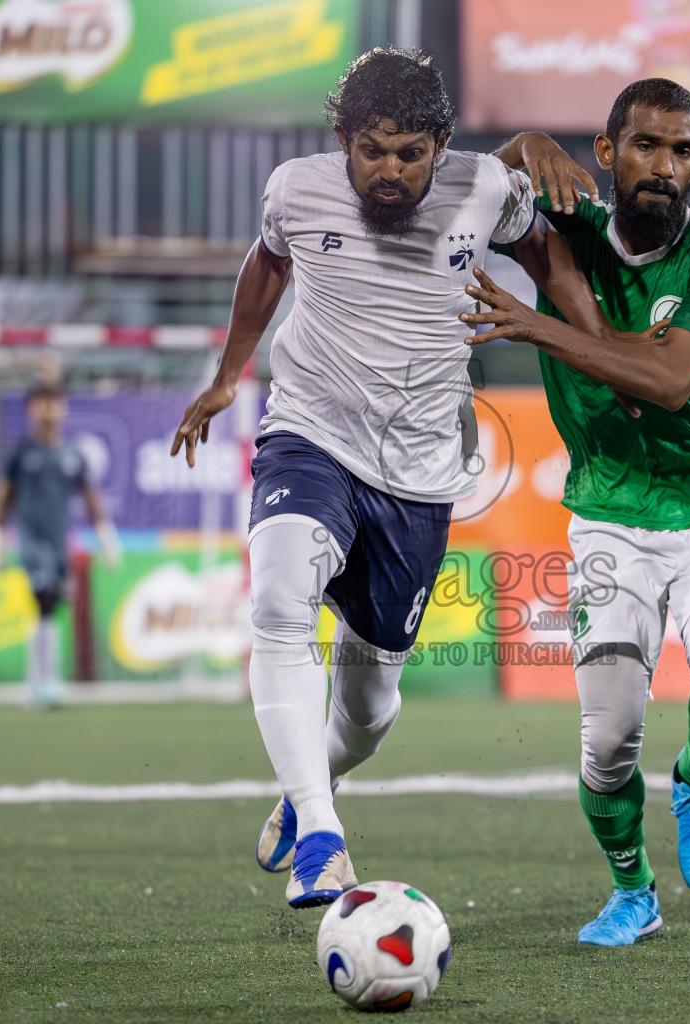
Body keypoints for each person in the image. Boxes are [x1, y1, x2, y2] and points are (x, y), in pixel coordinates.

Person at [169, 48, 615, 909]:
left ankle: (313, 784)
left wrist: (593, 348)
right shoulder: (294, 188)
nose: (390, 170)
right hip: (310, 432)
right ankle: (322, 838)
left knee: (368, 712)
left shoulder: (485, 187)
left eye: (411, 152)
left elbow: (549, 255)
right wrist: (231, 374)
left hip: (417, 473)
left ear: (441, 145)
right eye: (372, 149)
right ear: (344, 139)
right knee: (277, 600)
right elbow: (269, 265)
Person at [470, 78, 690, 945]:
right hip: (611, 510)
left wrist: (538, 329)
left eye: (683, 151)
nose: (664, 167)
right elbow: (457, 197)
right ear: (606, 154)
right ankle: (632, 889)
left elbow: (671, 382)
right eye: (645, 145)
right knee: (607, 738)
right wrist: (520, 145)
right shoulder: (564, 230)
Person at [0, 383, 121, 709]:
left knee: (51, 604)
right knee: (43, 597)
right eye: (41, 404)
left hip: (60, 543)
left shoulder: (71, 454)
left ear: (63, 408)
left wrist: (105, 537)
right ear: (31, 409)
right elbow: (3, 496)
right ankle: (40, 684)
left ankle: (47, 682)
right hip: (32, 543)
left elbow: (90, 498)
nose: (47, 410)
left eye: (53, 403)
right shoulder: (20, 453)